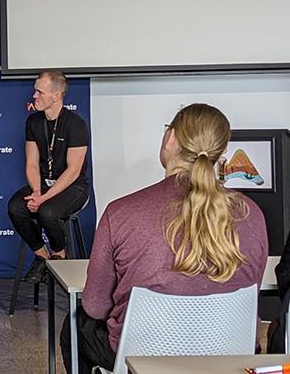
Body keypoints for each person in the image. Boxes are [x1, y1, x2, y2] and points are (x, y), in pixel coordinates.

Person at [62, 104, 268, 373]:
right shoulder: (252, 214)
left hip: (137, 357)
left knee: (75, 326)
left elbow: (96, 306)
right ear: (223, 152)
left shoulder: (121, 213)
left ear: (170, 139)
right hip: (231, 355)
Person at [7, 70, 90, 284]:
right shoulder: (33, 122)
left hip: (74, 187)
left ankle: (60, 254)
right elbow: (32, 163)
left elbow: (73, 170)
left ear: (56, 95)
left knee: (47, 211)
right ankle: (42, 256)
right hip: (43, 184)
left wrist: (43, 198)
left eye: (39, 92)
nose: (34, 96)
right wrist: (36, 192)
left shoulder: (75, 124)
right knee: (16, 207)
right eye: (35, 91)